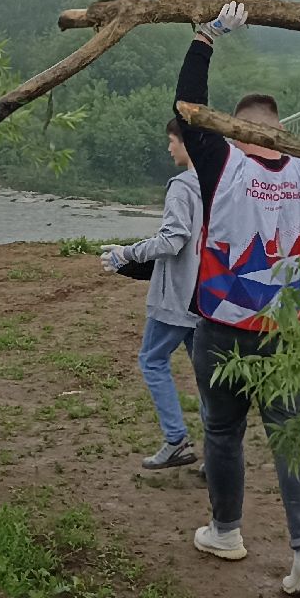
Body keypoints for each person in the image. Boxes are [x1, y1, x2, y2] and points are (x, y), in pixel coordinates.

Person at [174, 2, 300, 598]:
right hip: (291, 328)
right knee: (290, 430)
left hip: (224, 322)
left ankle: (226, 531)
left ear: (236, 126)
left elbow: (185, 104)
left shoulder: (217, 159)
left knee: (223, 431)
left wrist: (208, 34)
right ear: (280, 129)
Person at [101, 117, 205, 470]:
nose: (169, 147)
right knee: (205, 373)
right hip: (209, 296)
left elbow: (174, 239)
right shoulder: (221, 181)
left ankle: (175, 439)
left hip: (177, 297)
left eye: (172, 141)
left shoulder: (182, 186)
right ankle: (220, 452)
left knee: (152, 360)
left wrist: (127, 253)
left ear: (185, 142)